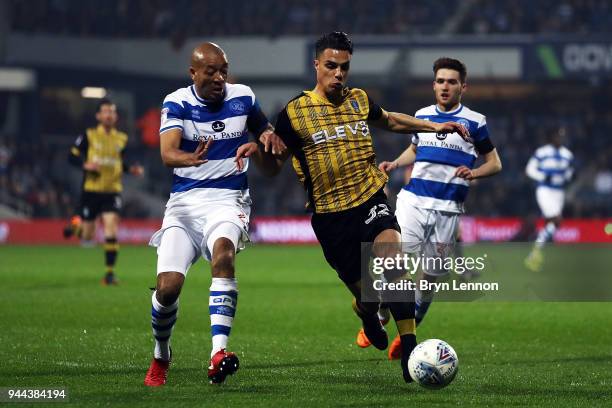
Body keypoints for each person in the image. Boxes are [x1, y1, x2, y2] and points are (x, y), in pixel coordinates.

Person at [268, 32, 470, 383]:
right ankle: (367, 312)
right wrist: (256, 149)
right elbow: (274, 161)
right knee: (369, 295)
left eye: (344, 67)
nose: (338, 74)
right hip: (331, 216)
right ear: (316, 65)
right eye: (331, 66)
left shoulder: (358, 99)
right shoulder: (293, 113)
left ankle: (410, 349)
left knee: (394, 260)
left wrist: (433, 125)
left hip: (370, 198)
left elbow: (389, 119)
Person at [143, 42, 283, 387]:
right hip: (185, 205)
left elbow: (264, 129)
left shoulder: (244, 97)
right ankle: (162, 353)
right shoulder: (176, 102)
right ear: (194, 73)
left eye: (224, 70)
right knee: (168, 289)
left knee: (224, 255)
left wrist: (266, 136)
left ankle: (218, 353)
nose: (220, 77)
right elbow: (167, 152)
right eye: (211, 71)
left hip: (228, 198)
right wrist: (188, 158)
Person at [363, 57, 502, 359]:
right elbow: (415, 148)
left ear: (463, 86)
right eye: (440, 81)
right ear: (433, 84)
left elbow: (495, 163)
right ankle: (381, 315)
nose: (445, 86)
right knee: (391, 262)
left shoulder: (475, 122)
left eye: (451, 81)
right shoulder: (422, 115)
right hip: (413, 201)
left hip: (449, 209)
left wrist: (474, 172)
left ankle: (410, 328)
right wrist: (395, 163)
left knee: (430, 278)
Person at [65, 99, 145, 285]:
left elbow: (119, 162)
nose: (109, 115)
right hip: (91, 191)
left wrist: (130, 169)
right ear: (98, 116)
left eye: (112, 112)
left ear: (115, 116)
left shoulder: (122, 139)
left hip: (112, 191)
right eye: (105, 112)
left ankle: (109, 274)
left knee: (111, 227)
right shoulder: (89, 135)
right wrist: (85, 164)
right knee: (87, 236)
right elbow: (71, 156)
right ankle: (76, 225)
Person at [524, 127, 574, 272]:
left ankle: (536, 253)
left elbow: (569, 172)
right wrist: (543, 176)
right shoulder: (542, 152)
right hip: (545, 190)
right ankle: (534, 250)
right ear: (552, 137)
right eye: (558, 136)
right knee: (557, 220)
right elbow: (529, 170)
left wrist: (568, 177)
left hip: (559, 192)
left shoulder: (567, 155)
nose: (560, 139)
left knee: (552, 224)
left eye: (563, 136)